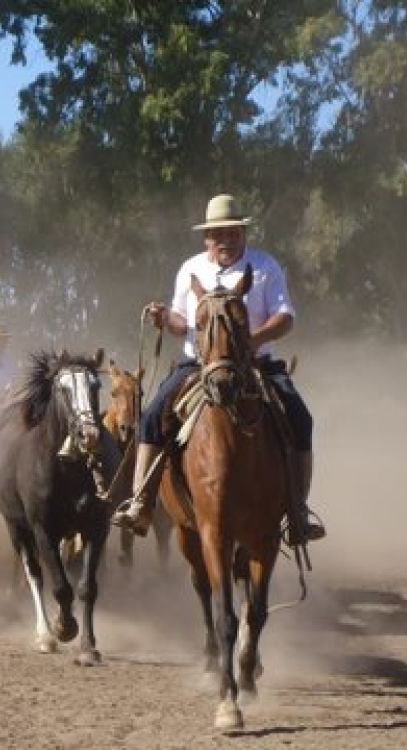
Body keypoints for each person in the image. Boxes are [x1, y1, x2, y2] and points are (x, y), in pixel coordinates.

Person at [111, 193, 325, 545]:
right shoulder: (190, 268)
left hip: (257, 362)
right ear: (206, 237)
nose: (225, 239)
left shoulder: (266, 266)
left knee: (301, 419)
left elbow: (286, 318)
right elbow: (182, 323)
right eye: (217, 233)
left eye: (232, 232)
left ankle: (298, 512)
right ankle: (140, 502)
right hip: (197, 364)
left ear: (243, 233)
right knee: (151, 417)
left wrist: (252, 341)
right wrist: (165, 318)